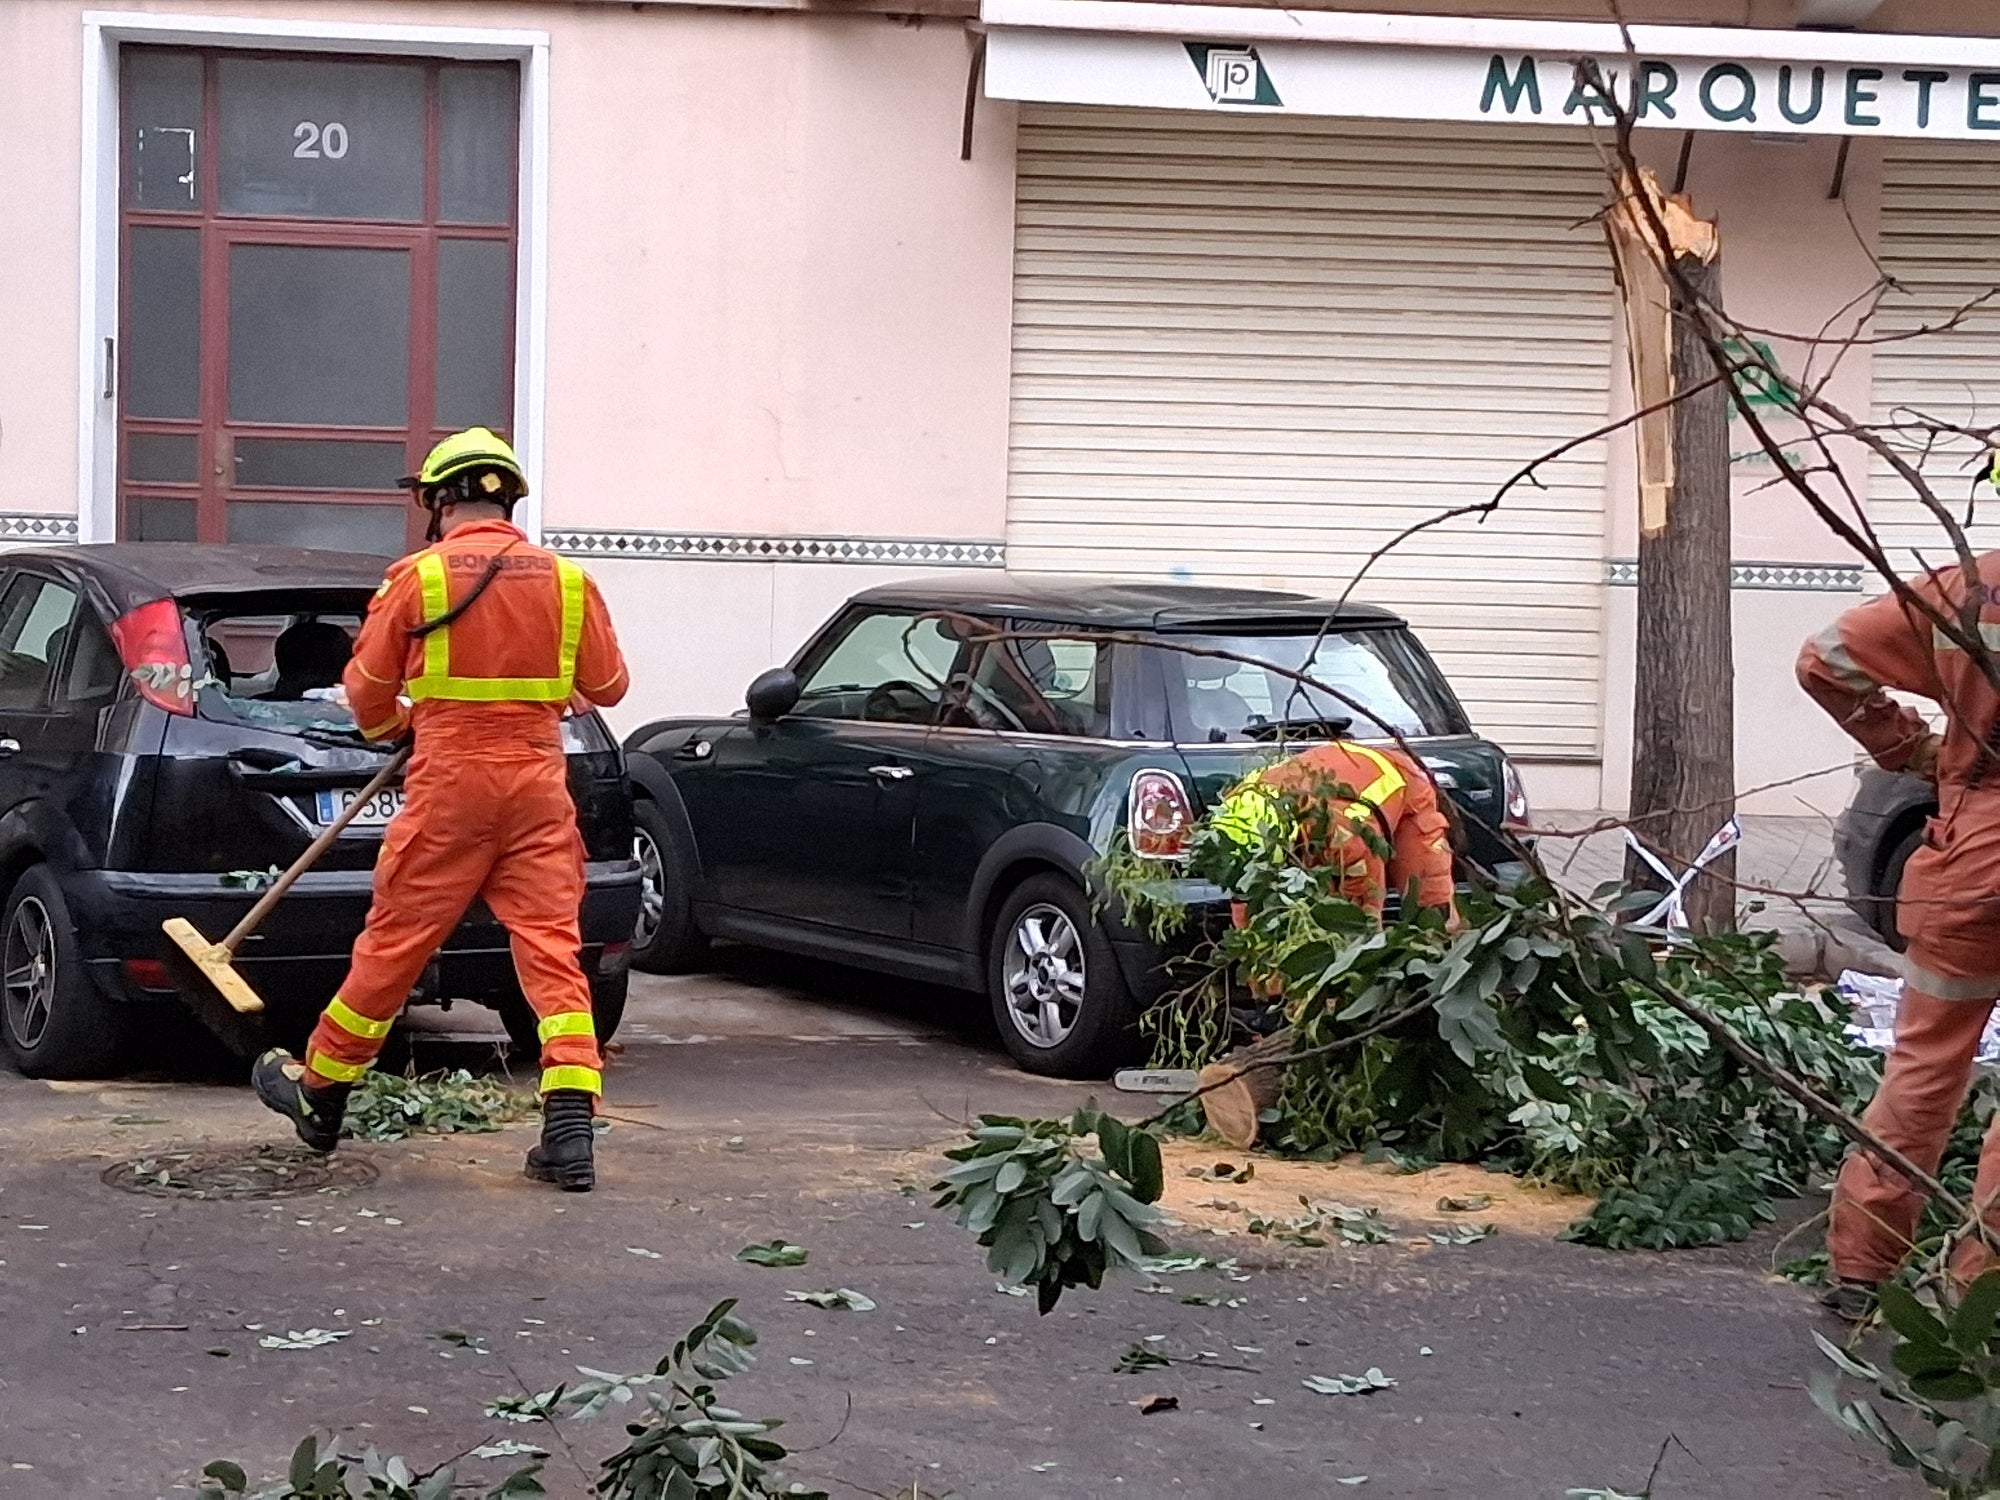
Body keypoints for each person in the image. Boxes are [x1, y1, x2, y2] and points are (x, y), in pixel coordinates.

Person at [252, 427, 630, 1192]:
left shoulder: (416, 579)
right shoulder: (566, 581)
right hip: (535, 784)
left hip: (450, 781)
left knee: (397, 943)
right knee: (553, 952)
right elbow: (611, 685)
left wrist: (406, 725)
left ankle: (322, 1090)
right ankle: (569, 1128)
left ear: (438, 501)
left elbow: (363, 691)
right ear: (507, 497)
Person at [1797, 505, 2000, 1314]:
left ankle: (1861, 1270)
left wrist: (1905, 750)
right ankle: (1982, 1296)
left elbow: (1826, 660)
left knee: (1923, 1067)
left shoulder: (1968, 589)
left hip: (1967, 857)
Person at [1210, 720, 1457, 924]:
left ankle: (1446, 963)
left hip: (1406, 785)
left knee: (1431, 905)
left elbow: (1364, 924)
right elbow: (1246, 905)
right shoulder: (1238, 810)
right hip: (1336, 775)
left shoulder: (1344, 836)